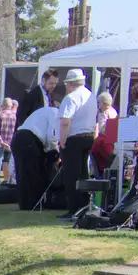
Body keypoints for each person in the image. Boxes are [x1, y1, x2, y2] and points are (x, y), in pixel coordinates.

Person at [12, 89, 61, 210]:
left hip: (19, 137)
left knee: (22, 173)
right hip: (30, 139)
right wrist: (56, 152)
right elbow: (51, 136)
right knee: (31, 173)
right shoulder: (56, 114)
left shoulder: (43, 112)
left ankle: (25, 203)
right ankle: (31, 204)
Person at [57, 68, 98, 215]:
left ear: (70, 84)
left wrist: (62, 141)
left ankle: (74, 208)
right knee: (83, 172)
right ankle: (85, 204)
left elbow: (65, 121)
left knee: (71, 175)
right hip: (88, 136)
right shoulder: (91, 96)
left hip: (74, 138)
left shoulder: (71, 97)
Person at [0, 98, 18, 191]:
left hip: (0, 144)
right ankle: (10, 186)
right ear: (11, 106)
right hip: (11, 144)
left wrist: (1, 141)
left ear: (3, 105)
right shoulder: (15, 116)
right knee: (11, 167)